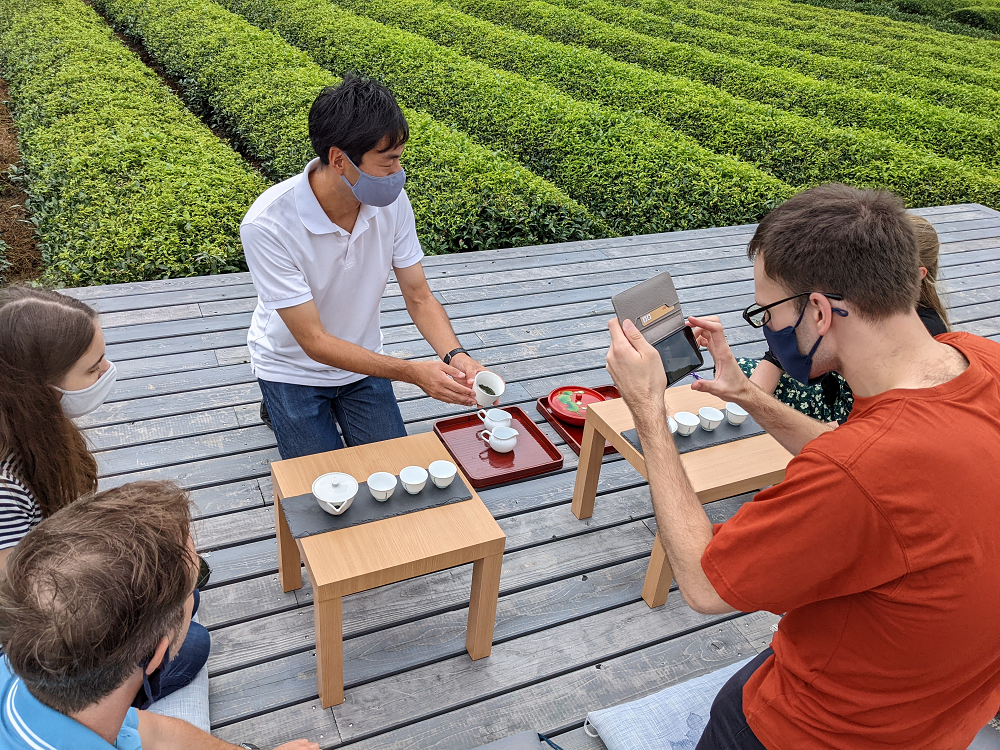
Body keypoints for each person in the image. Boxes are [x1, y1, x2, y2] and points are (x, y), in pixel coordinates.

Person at [605, 184, 1000, 749]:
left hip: (817, 730)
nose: (767, 328)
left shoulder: (857, 473)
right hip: (942, 711)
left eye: (768, 312)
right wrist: (748, 395)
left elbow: (706, 584)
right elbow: (873, 464)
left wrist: (647, 410)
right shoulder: (980, 358)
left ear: (818, 311)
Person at [241, 74, 492, 460]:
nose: (398, 171)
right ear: (340, 160)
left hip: (363, 361)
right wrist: (411, 372)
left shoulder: (392, 202)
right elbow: (314, 341)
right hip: (293, 366)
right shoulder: (268, 224)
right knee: (324, 480)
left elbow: (419, 296)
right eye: (388, 160)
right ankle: (277, 402)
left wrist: (455, 355)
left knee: (393, 467)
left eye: (400, 157)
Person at [0, 286, 209, 708]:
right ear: (40, 386)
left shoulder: (28, 427)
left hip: (58, 574)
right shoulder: (5, 492)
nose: (108, 371)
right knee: (192, 643)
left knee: (188, 588)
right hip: (37, 643)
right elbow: (26, 616)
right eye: (94, 368)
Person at [0, 480, 318, 750]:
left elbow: (150, 731)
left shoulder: (20, 676)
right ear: (156, 656)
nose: (193, 593)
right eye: (193, 586)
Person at [736, 213, 951, 424]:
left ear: (916, 276)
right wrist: (748, 398)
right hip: (828, 395)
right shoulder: (848, 306)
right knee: (733, 374)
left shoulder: (923, 338)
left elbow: (872, 424)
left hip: (855, 417)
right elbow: (779, 355)